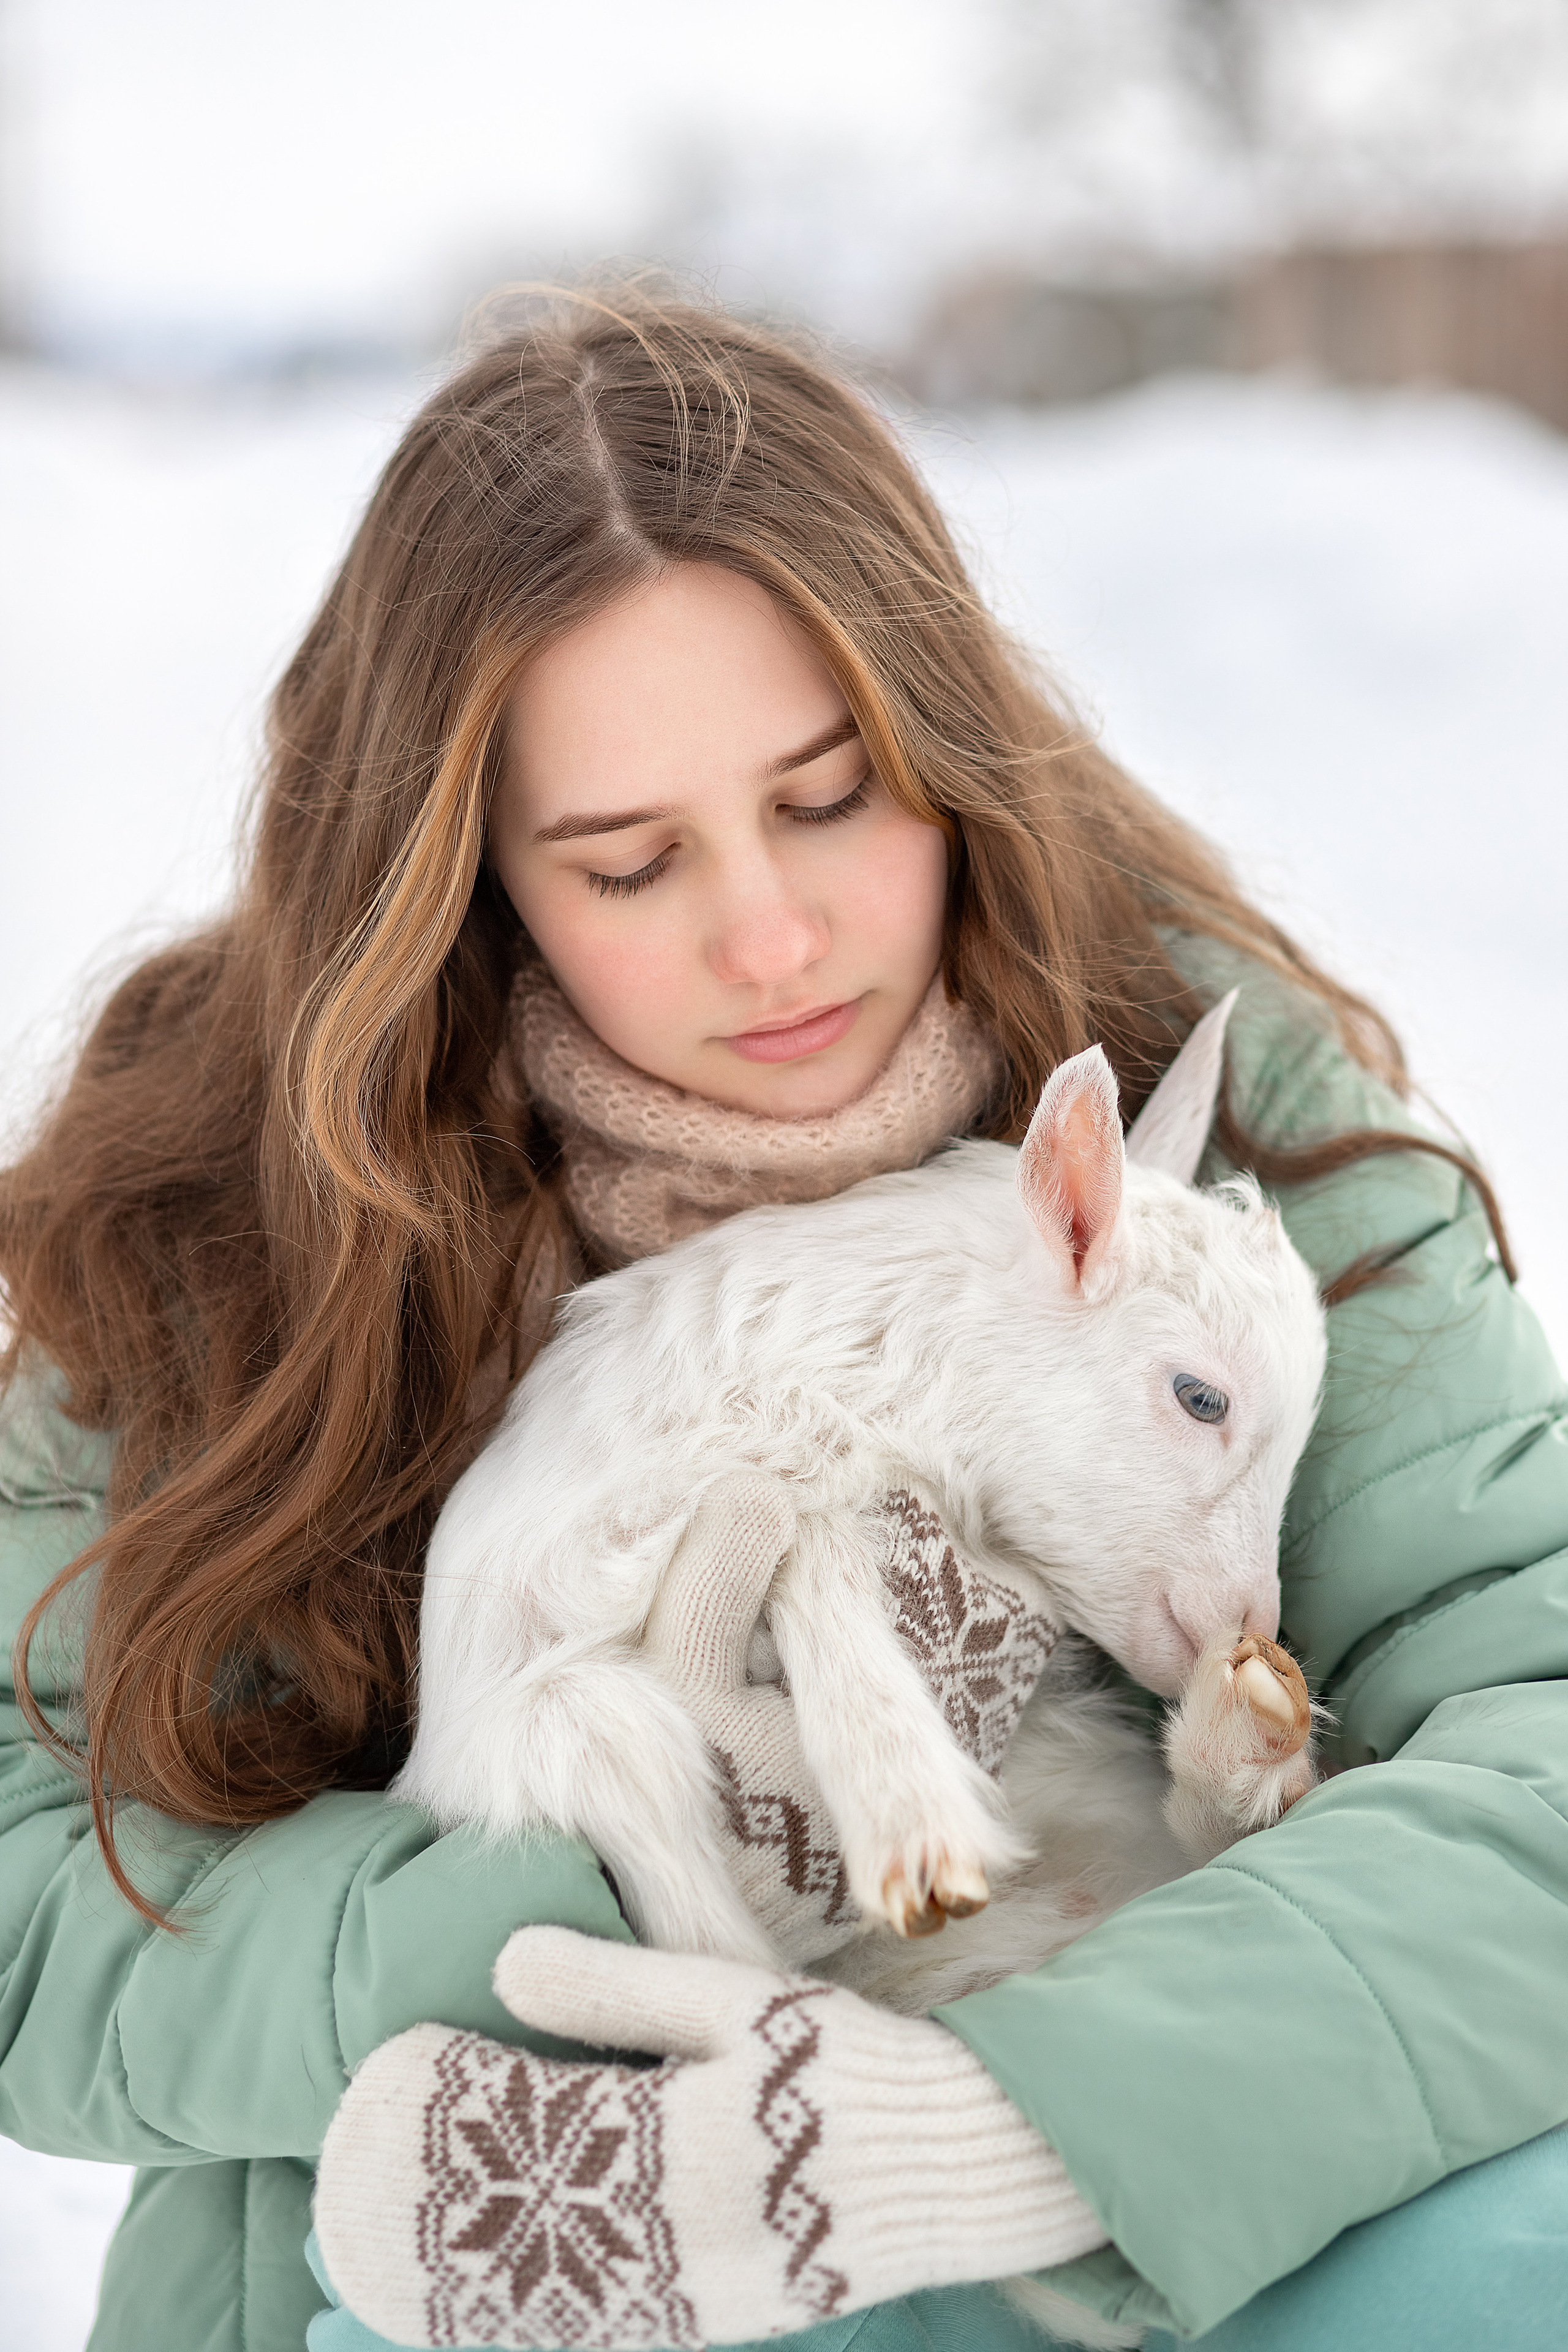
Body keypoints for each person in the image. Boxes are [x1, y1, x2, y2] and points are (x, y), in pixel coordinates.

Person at [2, 288, 1566, 2352]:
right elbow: (40, 1929)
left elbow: (1537, 1736)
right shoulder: (229, 1216)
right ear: (472, 880)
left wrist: (1011, 2126)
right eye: (631, 862)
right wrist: (625, 1878)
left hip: (1157, 2179)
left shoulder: (1218, 1123)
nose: (772, 938)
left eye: (831, 799)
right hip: (502, 2232)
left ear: (946, 746)